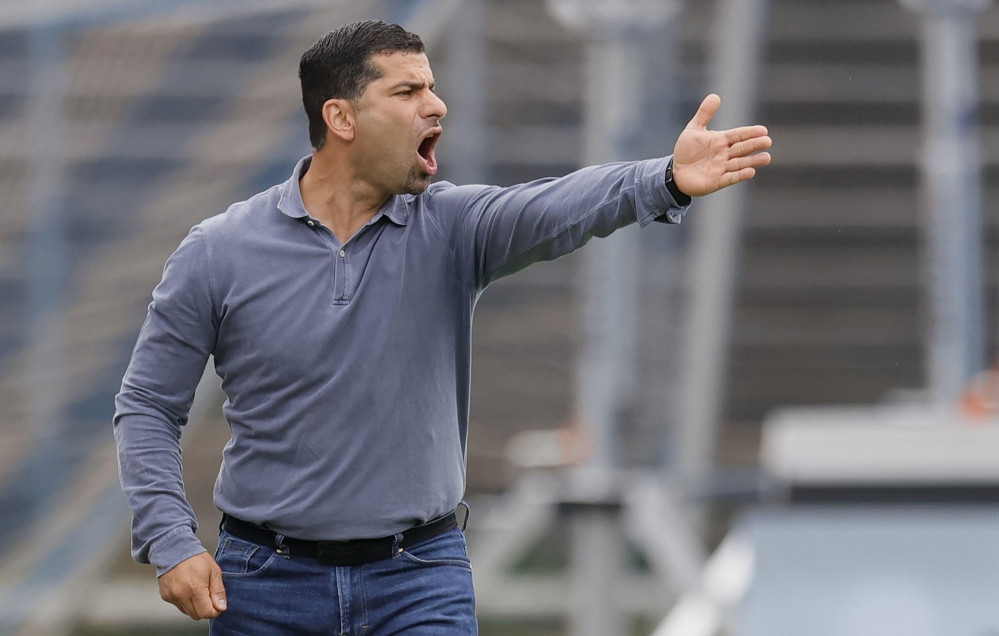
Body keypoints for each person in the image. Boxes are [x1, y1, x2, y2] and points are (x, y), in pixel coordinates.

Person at [113, 19, 771, 636]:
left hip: (418, 581)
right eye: (408, 91)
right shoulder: (218, 250)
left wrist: (663, 179)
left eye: (432, 86)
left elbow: (555, 206)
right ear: (340, 117)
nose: (438, 105)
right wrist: (171, 539)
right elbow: (146, 405)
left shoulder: (452, 229)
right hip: (264, 584)